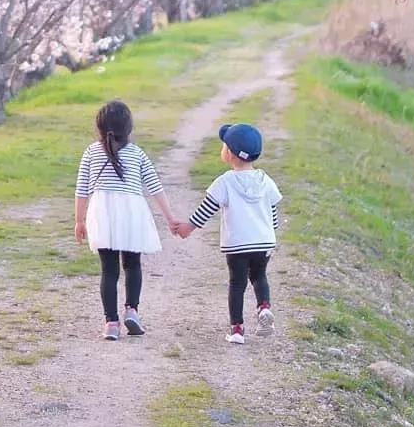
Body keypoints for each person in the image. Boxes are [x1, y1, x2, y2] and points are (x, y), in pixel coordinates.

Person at [75, 99, 180, 339]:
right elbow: (155, 186)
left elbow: (82, 189)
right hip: (132, 211)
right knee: (132, 264)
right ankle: (132, 310)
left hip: (102, 212)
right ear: (129, 128)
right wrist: (170, 217)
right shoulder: (137, 153)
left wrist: (79, 221)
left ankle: (111, 323)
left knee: (108, 270)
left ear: (99, 128)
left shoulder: (91, 152)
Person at [174, 122, 282, 344]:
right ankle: (263, 307)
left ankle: (237, 330)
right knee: (259, 277)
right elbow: (273, 212)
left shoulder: (225, 181)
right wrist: (270, 234)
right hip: (263, 242)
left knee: (237, 284)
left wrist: (187, 228)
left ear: (230, 153)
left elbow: (206, 210)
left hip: (238, 244)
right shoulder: (265, 180)